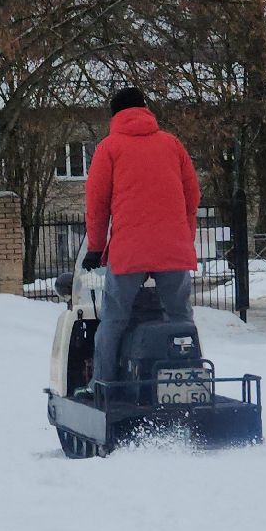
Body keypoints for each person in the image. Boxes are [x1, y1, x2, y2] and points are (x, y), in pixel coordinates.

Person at [81, 86, 201, 390]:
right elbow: (192, 196)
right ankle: (189, 381)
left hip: (129, 251)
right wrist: (184, 238)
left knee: (114, 319)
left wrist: (95, 248)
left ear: (115, 114)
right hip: (173, 249)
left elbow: (97, 203)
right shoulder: (173, 144)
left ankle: (104, 385)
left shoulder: (108, 148)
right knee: (179, 317)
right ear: (145, 108)